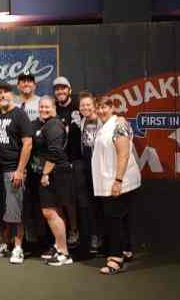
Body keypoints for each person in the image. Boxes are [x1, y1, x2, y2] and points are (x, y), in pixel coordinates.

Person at [92, 96, 141, 275]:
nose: (101, 111)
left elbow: (123, 153)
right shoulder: (104, 125)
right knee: (121, 217)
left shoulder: (119, 124)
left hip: (119, 181)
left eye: (104, 107)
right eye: (98, 107)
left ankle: (115, 259)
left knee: (114, 219)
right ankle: (126, 250)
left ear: (112, 107)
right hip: (110, 180)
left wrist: (118, 181)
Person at [0, 82, 33, 264]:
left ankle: (18, 247)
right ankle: (5, 243)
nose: (2, 96)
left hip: (14, 170)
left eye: (5, 92)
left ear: (12, 95)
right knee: (3, 211)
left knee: (16, 211)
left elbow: (28, 144)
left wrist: (20, 171)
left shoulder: (20, 115)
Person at [32, 96, 74, 266]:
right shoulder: (47, 124)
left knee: (49, 212)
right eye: (41, 107)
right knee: (55, 211)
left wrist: (45, 174)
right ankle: (59, 246)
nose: (43, 109)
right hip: (54, 173)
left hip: (56, 174)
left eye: (47, 106)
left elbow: (55, 152)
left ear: (54, 106)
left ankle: (64, 253)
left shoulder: (54, 125)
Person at [53, 76, 82, 248]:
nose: (60, 91)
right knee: (61, 201)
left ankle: (79, 231)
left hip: (77, 160)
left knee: (78, 201)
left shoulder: (78, 105)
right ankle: (64, 235)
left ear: (69, 90)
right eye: (57, 89)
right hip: (59, 161)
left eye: (63, 88)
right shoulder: (54, 108)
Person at [79, 92, 104, 254]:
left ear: (94, 104)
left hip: (102, 168)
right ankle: (96, 238)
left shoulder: (104, 121)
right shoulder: (83, 121)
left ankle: (107, 239)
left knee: (104, 205)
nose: (85, 108)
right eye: (82, 105)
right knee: (92, 205)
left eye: (88, 104)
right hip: (88, 168)